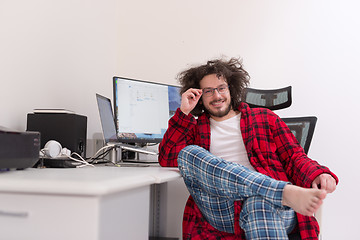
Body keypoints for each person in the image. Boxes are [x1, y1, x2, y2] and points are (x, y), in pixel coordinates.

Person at [158, 57, 338, 240]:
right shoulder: (195, 128)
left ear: (231, 89)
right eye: (208, 91)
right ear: (199, 96)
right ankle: (281, 191)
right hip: (221, 208)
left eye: (221, 88)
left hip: (272, 207)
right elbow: (167, 158)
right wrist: (183, 113)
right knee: (188, 153)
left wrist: (318, 173)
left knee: (258, 204)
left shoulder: (265, 118)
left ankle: (276, 193)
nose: (217, 96)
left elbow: (294, 157)